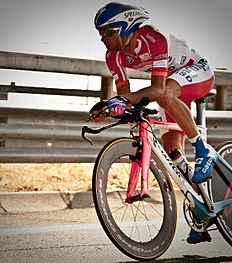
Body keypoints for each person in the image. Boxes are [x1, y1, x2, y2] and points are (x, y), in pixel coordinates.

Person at [90, 2, 216, 244]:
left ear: (124, 27)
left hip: (196, 72)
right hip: (172, 83)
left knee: (165, 92)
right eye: (100, 33)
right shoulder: (112, 56)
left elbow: (157, 89)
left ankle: (203, 149)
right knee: (172, 151)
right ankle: (202, 207)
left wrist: (121, 101)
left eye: (108, 32)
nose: (103, 39)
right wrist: (108, 107)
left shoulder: (153, 37)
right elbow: (125, 97)